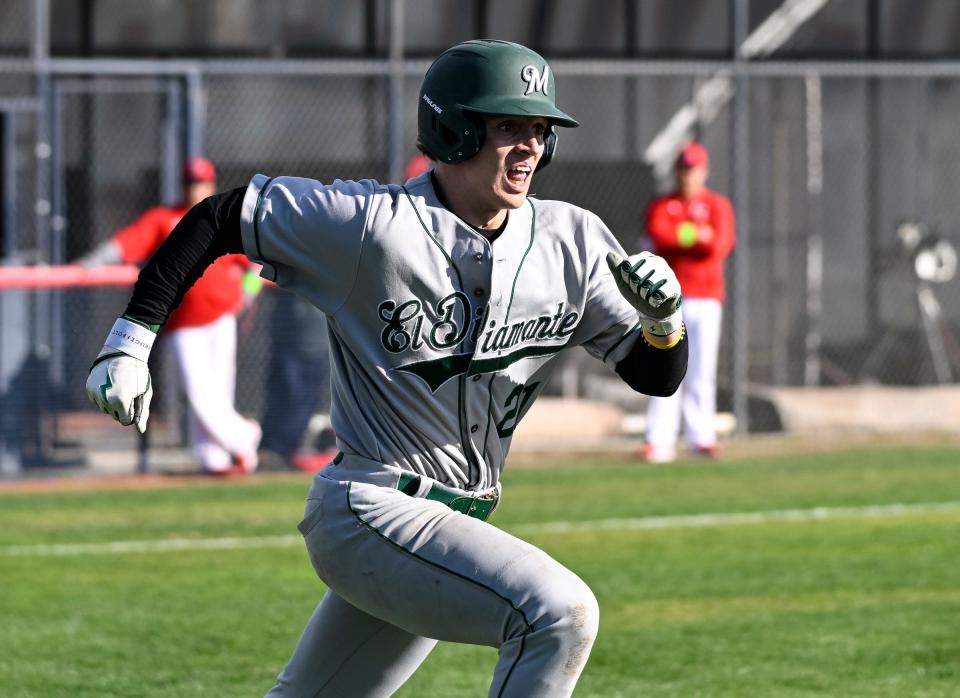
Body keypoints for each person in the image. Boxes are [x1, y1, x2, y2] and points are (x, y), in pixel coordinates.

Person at [85, 40, 688, 697]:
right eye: (509, 126)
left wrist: (663, 323)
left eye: (541, 130)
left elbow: (655, 376)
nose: (531, 147)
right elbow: (220, 217)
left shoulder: (570, 240)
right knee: (558, 615)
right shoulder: (373, 224)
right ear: (455, 129)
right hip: (369, 508)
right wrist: (129, 340)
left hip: (449, 525)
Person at [79, 157, 262, 475]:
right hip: (182, 323)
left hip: (221, 317)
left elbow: (255, 264)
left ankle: (214, 458)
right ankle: (243, 438)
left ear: (211, 184)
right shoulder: (165, 219)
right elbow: (125, 244)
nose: (196, 187)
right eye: (191, 182)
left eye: (201, 182)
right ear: (182, 186)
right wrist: (85, 265)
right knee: (198, 390)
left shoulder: (224, 215)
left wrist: (247, 292)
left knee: (220, 390)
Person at [641, 142, 736, 463]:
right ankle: (659, 440)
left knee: (701, 371)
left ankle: (701, 436)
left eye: (693, 169)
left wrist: (686, 237)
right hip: (668, 300)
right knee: (665, 369)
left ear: (704, 171)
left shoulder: (717, 205)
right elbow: (660, 236)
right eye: (683, 168)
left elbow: (718, 244)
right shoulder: (662, 204)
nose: (688, 175)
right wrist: (696, 235)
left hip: (707, 298)